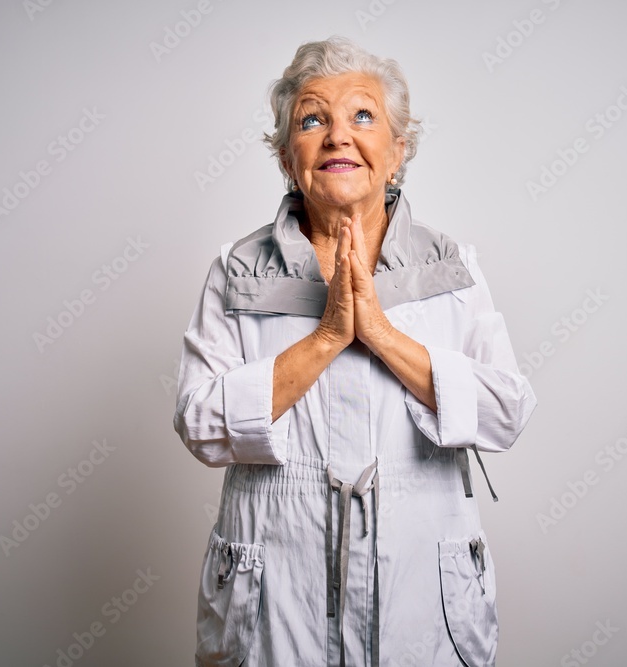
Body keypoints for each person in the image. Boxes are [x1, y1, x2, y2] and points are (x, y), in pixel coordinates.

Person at [173, 36, 537, 667]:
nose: (338, 135)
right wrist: (327, 339)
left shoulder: (450, 266)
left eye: (363, 116)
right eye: (312, 120)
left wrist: (382, 335)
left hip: (422, 588)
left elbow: (506, 412)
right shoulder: (238, 271)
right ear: (287, 157)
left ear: (397, 152)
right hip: (274, 596)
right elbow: (200, 425)